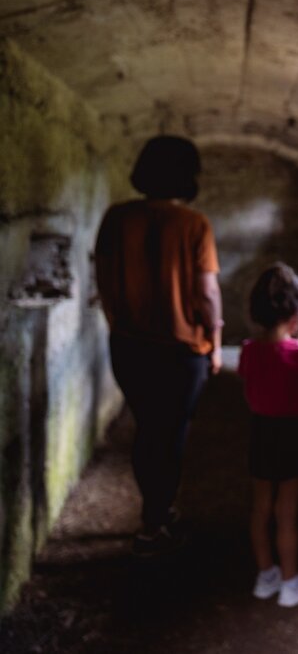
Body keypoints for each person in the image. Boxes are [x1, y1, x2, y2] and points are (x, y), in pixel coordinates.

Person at [95, 135, 222, 557]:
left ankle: (154, 515)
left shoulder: (116, 218)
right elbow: (206, 294)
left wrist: (117, 321)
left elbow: (103, 278)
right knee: (172, 433)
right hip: (182, 352)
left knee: (147, 428)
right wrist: (216, 341)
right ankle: (155, 520)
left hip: (129, 346)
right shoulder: (193, 224)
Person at [239, 263, 298, 608]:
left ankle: (266, 576)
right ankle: (291, 584)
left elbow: (250, 394)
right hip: (294, 434)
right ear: (296, 316)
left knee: (261, 507)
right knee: (286, 511)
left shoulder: (248, 351)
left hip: (262, 431)